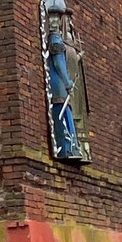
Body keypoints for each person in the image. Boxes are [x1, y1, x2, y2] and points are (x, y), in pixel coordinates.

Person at [47, 13, 80, 158]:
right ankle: (65, 148)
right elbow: (59, 63)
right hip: (58, 82)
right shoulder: (55, 38)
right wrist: (67, 82)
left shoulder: (59, 39)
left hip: (61, 83)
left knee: (66, 112)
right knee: (62, 112)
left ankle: (72, 147)